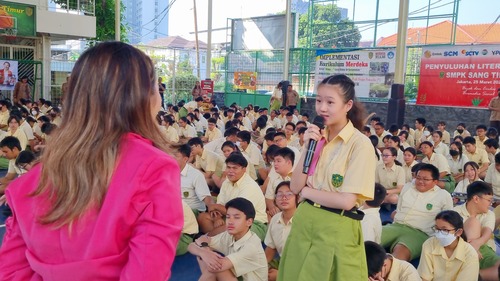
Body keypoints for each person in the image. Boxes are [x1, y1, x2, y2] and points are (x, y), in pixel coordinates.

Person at [0, 42, 183, 280]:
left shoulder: (36, 176)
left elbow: (11, 271)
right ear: (144, 97)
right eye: (157, 88)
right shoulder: (156, 168)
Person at [278, 74, 376, 281]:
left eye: (330, 102)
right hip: (304, 223)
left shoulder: (359, 144)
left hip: (336, 227)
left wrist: (307, 191)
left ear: (348, 105)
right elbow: (295, 186)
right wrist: (307, 147)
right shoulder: (317, 138)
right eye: (319, 101)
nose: (322, 108)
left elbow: (347, 200)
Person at [381, 164, 453, 262]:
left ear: (435, 181)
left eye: (425, 179)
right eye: (418, 177)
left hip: (419, 233)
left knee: (398, 257)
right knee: (367, 237)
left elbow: (448, 222)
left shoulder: (443, 196)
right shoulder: (407, 187)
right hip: (396, 226)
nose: (420, 181)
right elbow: (399, 209)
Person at [188, 197, 268, 281]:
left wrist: (205, 253)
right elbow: (191, 246)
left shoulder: (251, 246)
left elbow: (216, 267)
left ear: (249, 222)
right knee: (202, 254)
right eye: (228, 217)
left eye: (236, 217)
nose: (230, 221)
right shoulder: (229, 236)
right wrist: (203, 251)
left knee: (214, 266)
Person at [453, 182, 499, 280]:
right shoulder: (455, 212)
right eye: (488, 200)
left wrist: (476, 245)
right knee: (473, 222)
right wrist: (472, 250)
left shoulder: (489, 214)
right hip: (461, 249)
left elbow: (488, 231)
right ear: (476, 199)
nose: (490, 204)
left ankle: (476, 276)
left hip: (485, 250)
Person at [417, 210, 479, 281]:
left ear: (458, 232)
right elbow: (424, 277)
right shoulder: (429, 244)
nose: (439, 234)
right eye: (437, 229)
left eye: (445, 230)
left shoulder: (470, 254)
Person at [265, 181, 297, 281]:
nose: (284, 198)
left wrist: (282, 275)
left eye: (289, 194)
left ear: (298, 197)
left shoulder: (304, 220)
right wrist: (261, 268)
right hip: (282, 263)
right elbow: (271, 248)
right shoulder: (275, 219)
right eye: (279, 195)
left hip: (300, 268)